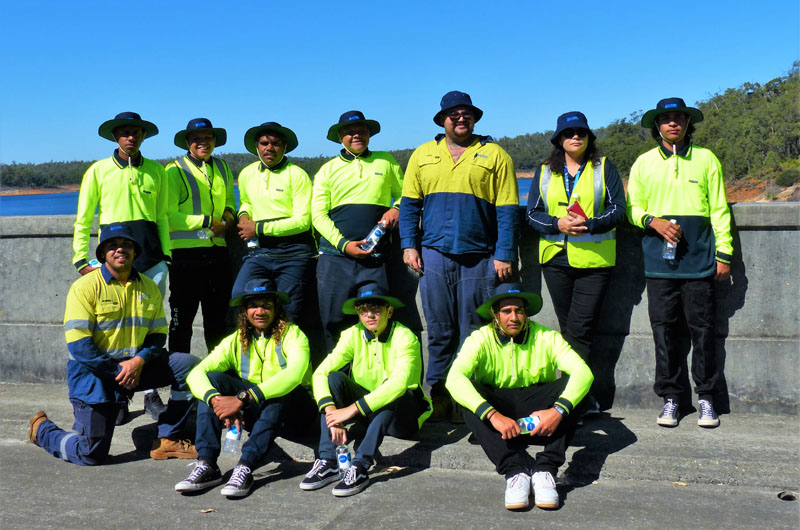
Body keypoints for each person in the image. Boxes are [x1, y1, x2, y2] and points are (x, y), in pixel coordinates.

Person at [27, 225, 199, 465]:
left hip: (135, 368)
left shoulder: (148, 287)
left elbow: (158, 335)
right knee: (91, 454)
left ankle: (167, 437)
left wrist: (137, 362)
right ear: (102, 254)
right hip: (95, 375)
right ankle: (43, 431)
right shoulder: (85, 287)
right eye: (112, 246)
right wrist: (119, 372)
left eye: (127, 245)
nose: (120, 250)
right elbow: (79, 345)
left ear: (135, 251)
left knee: (188, 365)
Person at [400, 91, 520, 421]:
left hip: (481, 257)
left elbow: (508, 210)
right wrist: (409, 245)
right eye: (453, 114)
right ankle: (438, 394)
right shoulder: (423, 155)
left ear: (475, 118)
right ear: (442, 120)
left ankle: (469, 399)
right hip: (434, 254)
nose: (460, 118)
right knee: (439, 330)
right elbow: (410, 206)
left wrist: (505, 252)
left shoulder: (495, 154)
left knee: (474, 330)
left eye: (466, 113)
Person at [627, 97, 733, 429]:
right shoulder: (643, 163)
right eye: (666, 119)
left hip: (700, 262)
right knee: (664, 333)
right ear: (656, 126)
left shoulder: (706, 159)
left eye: (679, 118)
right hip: (659, 265)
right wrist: (652, 222)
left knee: (703, 333)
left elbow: (719, 210)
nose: (673, 123)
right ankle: (671, 398)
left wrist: (724, 254)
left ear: (688, 123)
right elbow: (632, 208)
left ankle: (706, 398)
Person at [446, 283, 592, 510]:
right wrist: (493, 415)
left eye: (519, 310)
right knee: (466, 393)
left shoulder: (547, 336)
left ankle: (545, 469)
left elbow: (584, 373)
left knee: (575, 389)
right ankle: (516, 471)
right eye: (506, 311)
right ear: (494, 314)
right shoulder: (479, 338)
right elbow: (454, 378)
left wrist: (558, 411)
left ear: (526, 313)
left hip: (540, 419)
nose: (514, 317)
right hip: (501, 417)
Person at [176, 278, 318, 498]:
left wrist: (242, 399)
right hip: (258, 407)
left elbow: (293, 376)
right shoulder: (236, 339)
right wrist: (216, 400)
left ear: (276, 309)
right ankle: (207, 464)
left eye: (266, 305)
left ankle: (245, 466)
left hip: (297, 412)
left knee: (280, 393)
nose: (259, 311)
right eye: (253, 305)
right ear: (245, 311)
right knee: (212, 380)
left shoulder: (294, 334)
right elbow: (196, 373)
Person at [72, 111, 172, 422]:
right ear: (116, 137)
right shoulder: (98, 171)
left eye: (136, 133)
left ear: (143, 137)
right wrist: (80, 259)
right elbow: (84, 218)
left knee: (147, 329)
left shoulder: (157, 171)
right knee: (112, 330)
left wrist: (166, 256)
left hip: (151, 261)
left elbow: (163, 216)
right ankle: (117, 394)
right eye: (125, 132)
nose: (131, 137)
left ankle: (149, 392)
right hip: (113, 262)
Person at [526, 111, 626, 416]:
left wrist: (590, 224)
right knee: (570, 329)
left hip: (594, 261)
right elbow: (532, 214)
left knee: (579, 330)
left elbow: (619, 209)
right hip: (556, 260)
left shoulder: (603, 167)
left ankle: (572, 400)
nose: (575, 137)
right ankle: (579, 397)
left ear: (588, 138)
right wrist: (558, 224)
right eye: (569, 133)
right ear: (559, 140)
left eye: (581, 132)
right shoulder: (544, 171)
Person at [299, 283, 431, 497]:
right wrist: (333, 413)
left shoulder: (405, 337)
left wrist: (350, 410)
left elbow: (398, 384)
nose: (369, 315)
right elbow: (320, 374)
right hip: (368, 411)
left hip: (403, 416)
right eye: (363, 310)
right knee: (333, 378)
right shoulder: (352, 334)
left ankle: (361, 465)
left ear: (389, 311)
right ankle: (328, 460)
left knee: (394, 393)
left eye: (376, 309)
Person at [311, 111, 405, 353]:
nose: (356, 135)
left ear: (369, 134)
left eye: (362, 130)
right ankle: (336, 382)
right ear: (340, 136)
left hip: (376, 259)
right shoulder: (327, 170)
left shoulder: (386, 161)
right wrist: (344, 245)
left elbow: (406, 194)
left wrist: (396, 208)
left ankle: (375, 382)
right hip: (335, 258)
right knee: (333, 322)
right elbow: (318, 216)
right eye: (350, 131)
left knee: (378, 321)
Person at [233, 122, 319, 344]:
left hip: (294, 253)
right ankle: (252, 355)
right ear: (256, 146)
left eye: (276, 143)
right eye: (264, 143)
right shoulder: (246, 174)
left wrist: (258, 228)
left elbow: (303, 221)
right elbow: (246, 202)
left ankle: (292, 367)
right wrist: (243, 215)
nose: (269, 148)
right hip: (261, 253)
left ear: (285, 147)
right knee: (239, 297)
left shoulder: (297, 175)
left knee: (289, 313)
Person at [166, 118, 236, 354]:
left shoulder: (223, 167)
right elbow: (168, 216)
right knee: (181, 323)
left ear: (215, 141)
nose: (203, 143)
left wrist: (227, 221)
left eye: (208, 138)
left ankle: (215, 381)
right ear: (188, 142)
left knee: (217, 323)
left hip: (217, 254)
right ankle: (179, 385)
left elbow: (229, 203)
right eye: (197, 139)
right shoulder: (174, 171)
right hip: (185, 257)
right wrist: (206, 222)